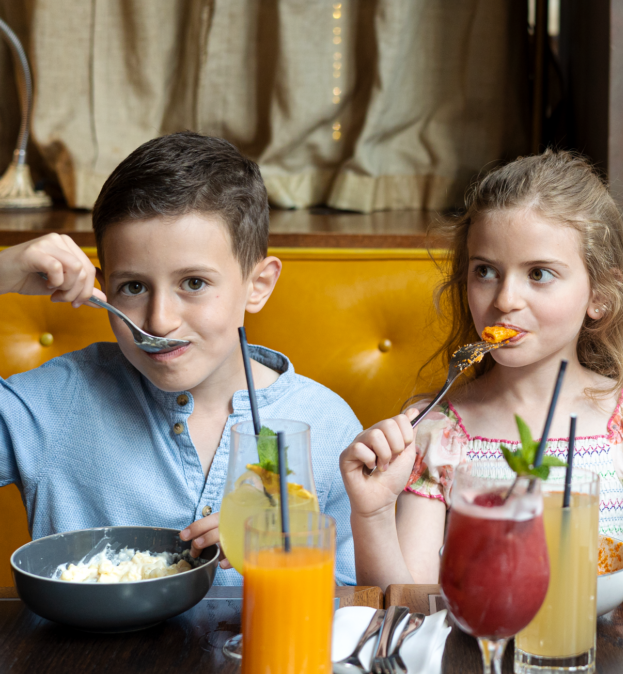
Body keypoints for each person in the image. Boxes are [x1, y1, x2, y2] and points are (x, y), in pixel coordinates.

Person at [0, 132, 362, 584]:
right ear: (103, 287)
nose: (160, 320)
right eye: (133, 287)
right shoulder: (57, 401)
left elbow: (357, 602)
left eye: (193, 283)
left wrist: (285, 560)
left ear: (258, 285)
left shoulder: (326, 427)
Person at [341, 150, 623, 592]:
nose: (504, 300)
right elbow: (409, 605)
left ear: (599, 294)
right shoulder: (437, 433)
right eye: (485, 271)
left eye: (538, 274)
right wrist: (371, 513)